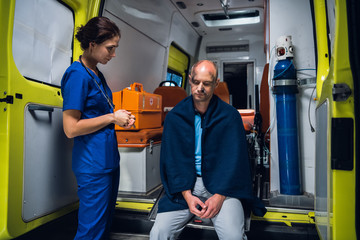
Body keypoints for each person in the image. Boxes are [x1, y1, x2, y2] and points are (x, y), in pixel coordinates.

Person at [150, 60, 266, 240]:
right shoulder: (175, 117)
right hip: (186, 187)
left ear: (216, 83)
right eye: (196, 82)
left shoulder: (230, 116)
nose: (200, 88)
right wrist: (187, 196)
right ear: (189, 80)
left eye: (207, 83)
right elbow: (172, 162)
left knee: (233, 236)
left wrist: (219, 196)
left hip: (223, 187)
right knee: (159, 233)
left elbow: (236, 161)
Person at [61, 17, 135, 240]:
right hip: (92, 165)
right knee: (91, 231)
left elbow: (99, 115)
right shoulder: (77, 75)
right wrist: (112, 117)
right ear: (92, 44)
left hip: (108, 162)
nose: (113, 55)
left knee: (103, 227)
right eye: (110, 49)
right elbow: (71, 128)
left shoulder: (97, 74)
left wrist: (120, 118)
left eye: (115, 49)